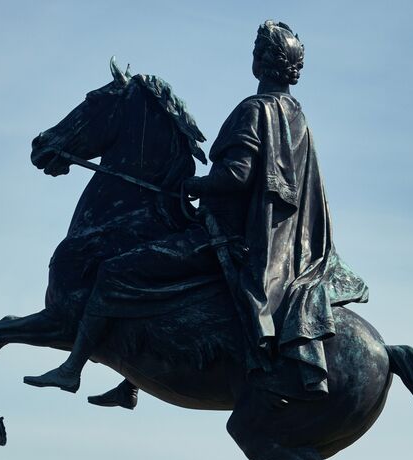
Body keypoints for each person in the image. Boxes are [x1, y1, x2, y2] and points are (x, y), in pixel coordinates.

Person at [25, 21, 367, 398]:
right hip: (274, 244)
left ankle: (73, 368)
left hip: (226, 238)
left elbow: (237, 175)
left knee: (115, 272)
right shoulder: (296, 116)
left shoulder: (254, 110)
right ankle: (130, 383)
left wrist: (191, 185)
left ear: (259, 63)